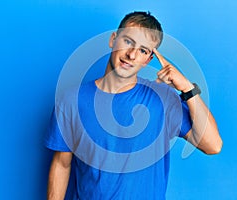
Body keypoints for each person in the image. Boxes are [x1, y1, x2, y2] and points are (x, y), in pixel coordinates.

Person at [44, 11, 223, 200]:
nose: (131, 55)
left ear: (148, 60)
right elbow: (62, 164)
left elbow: (213, 145)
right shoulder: (71, 101)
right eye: (128, 41)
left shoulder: (163, 99)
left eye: (143, 50)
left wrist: (187, 88)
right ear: (113, 39)